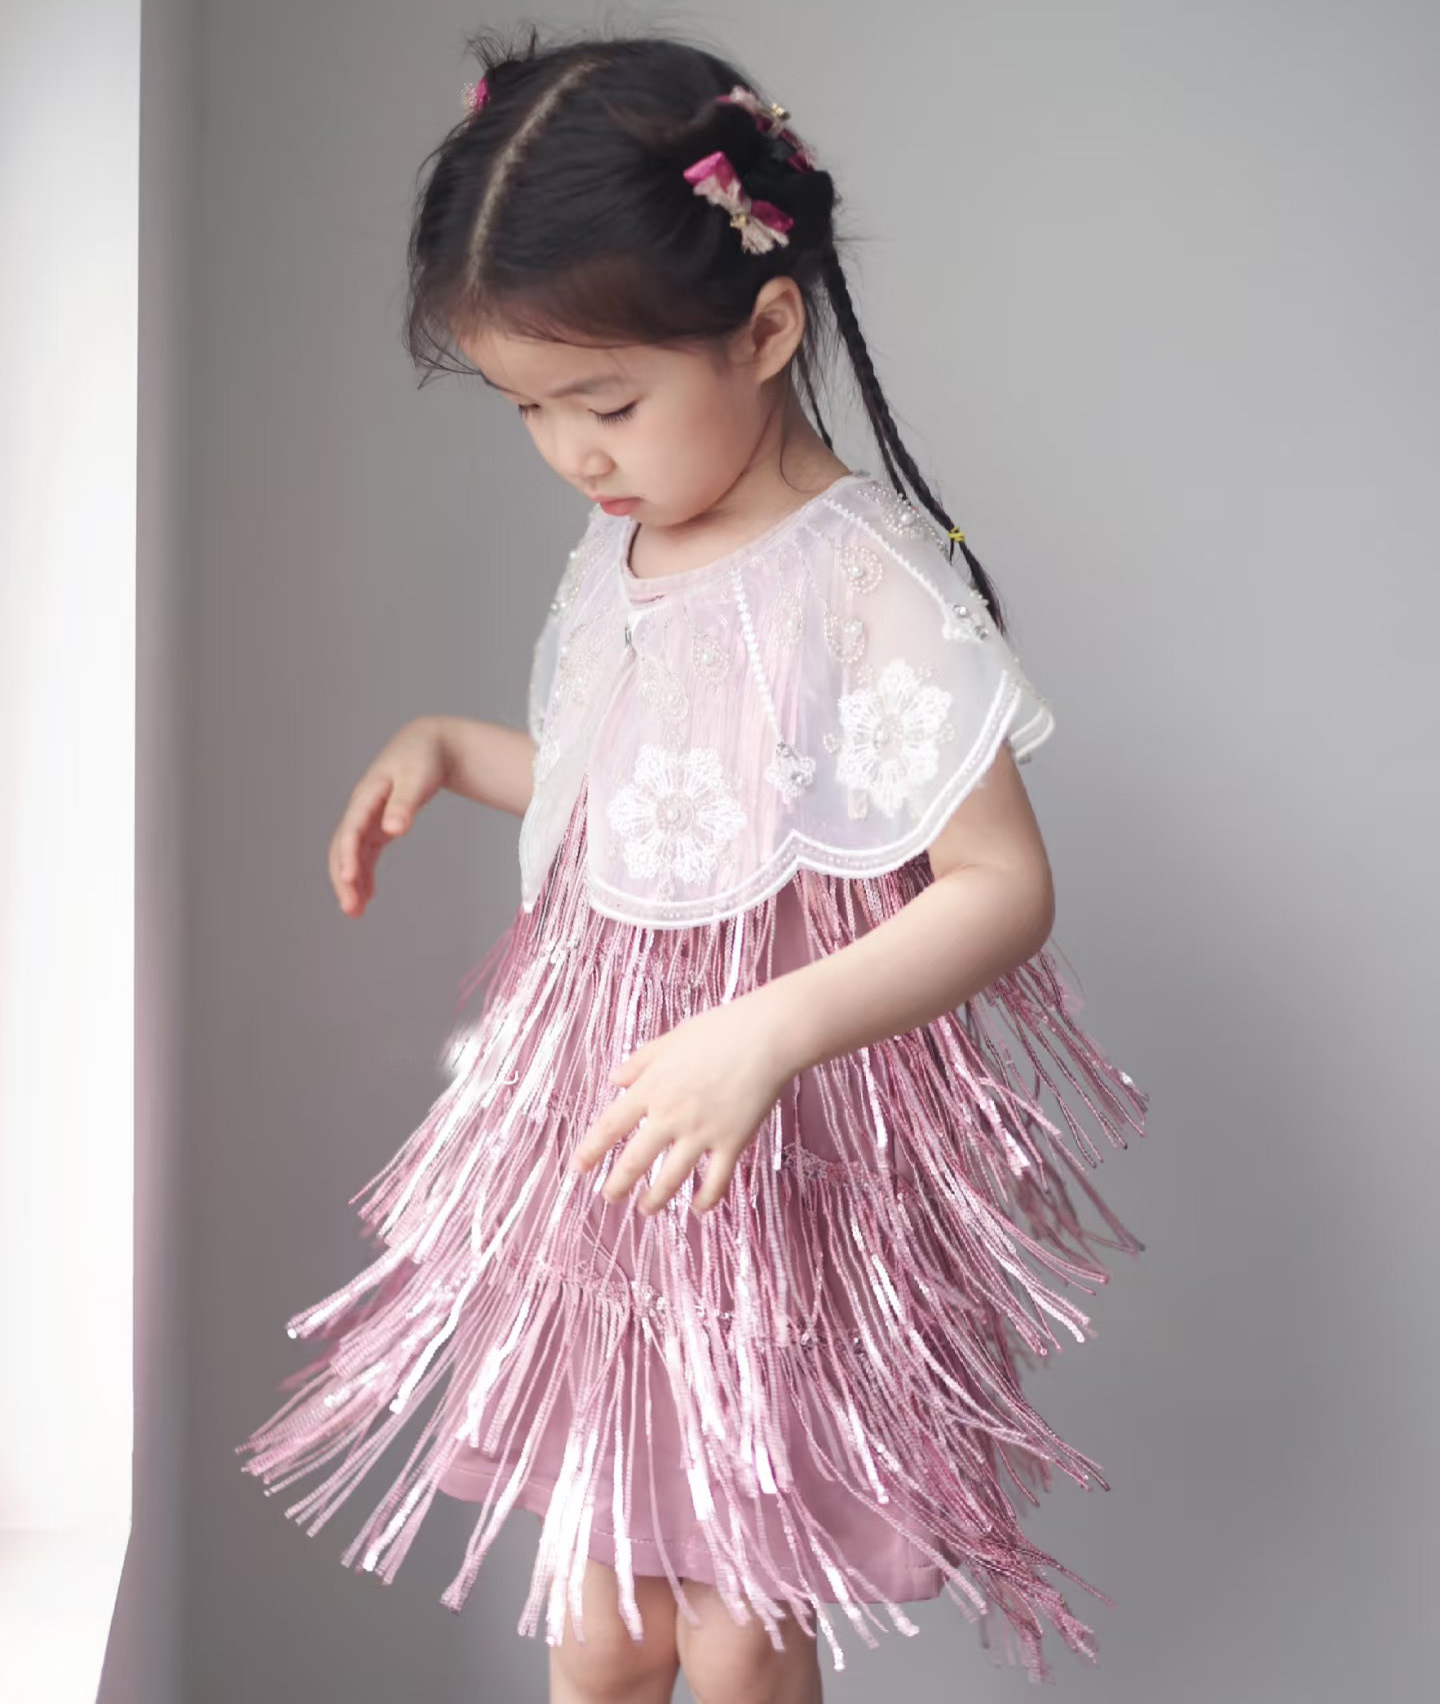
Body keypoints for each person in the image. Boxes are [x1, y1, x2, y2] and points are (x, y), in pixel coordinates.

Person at [236, 24, 1148, 1701]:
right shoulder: (625, 544)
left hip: (769, 1152)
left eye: (605, 403)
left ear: (769, 328)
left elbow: (998, 885)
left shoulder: (865, 574)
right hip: (623, 1139)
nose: (571, 453)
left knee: (736, 1639)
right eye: (529, 409)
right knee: (603, 1631)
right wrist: (461, 751)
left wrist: (766, 1036)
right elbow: (675, 811)